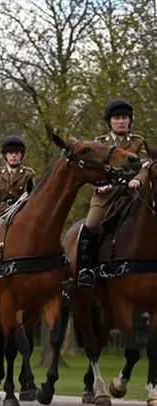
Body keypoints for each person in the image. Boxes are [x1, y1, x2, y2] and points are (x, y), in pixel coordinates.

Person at [76, 98, 151, 288]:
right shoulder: (100, 143)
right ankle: (86, 270)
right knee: (91, 225)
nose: (121, 121)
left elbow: (145, 166)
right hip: (106, 195)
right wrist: (99, 185)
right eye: (117, 118)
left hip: (132, 194)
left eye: (125, 118)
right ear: (109, 121)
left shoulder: (138, 142)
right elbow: (93, 170)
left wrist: (138, 180)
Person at [0, 135, 37, 215]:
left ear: (21, 155)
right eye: (11, 152)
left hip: (20, 213)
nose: (14, 155)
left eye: (17, 153)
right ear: (5, 155)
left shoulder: (28, 175)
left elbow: (32, 199)